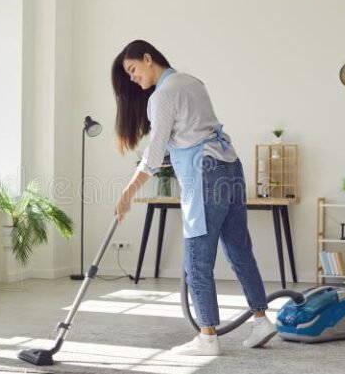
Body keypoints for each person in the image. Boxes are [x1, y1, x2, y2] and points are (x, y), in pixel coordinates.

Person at [111, 39, 276, 356]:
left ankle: (208, 337)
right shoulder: (192, 82)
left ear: (148, 58)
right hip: (231, 166)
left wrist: (127, 192)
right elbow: (191, 134)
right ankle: (260, 320)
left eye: (133, 69)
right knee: (239, 250)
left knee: (197, 261)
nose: (133, 78)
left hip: (205, 173)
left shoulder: (162, 96)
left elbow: (154, 155)